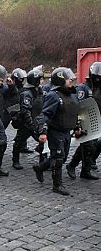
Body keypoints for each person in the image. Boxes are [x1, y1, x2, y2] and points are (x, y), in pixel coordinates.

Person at [34, 67, 81, 195]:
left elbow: (73, 113)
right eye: (67, 79)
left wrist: (77, 127)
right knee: (58, 158)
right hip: (56, 131)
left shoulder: (72, 95)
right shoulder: (53, 96)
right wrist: (43, 132)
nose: (70, 81)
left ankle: (40, 167)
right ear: (60, 80)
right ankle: (57, 185)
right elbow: (44, 115)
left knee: (63, 157)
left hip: (66, 131)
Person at [66, 62, 99, 180]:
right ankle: (73, 166)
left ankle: (85, 170)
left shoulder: (97, 88)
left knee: (92, 146)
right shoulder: (83, 88)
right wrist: (78, 124)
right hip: (84, 121)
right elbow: (78, 107)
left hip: (95, 120)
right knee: (87, 146)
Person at [11, 69, 44, 170]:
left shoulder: (39, 91)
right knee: (18, 142)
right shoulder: (27, 93)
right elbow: (26, 110)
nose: (42, 80)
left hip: (36, 121)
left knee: (43, 141)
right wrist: (31, 124)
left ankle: (43, 162)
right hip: (26, 123)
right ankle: (15, 161)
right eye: (41, 79)